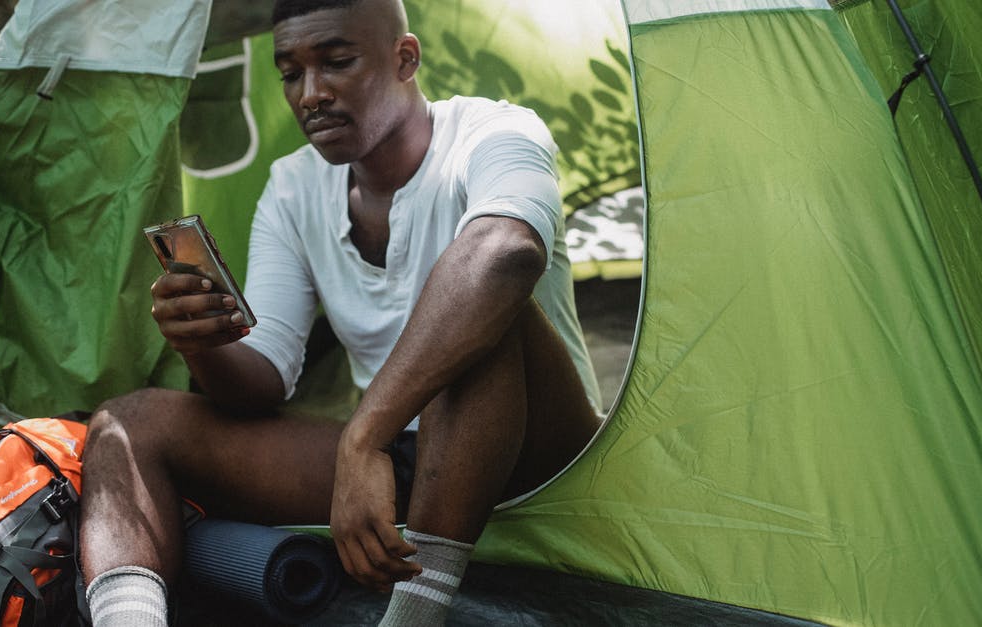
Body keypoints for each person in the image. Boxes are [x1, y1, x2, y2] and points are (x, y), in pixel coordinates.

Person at [78, 0, 603, 625]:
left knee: (487, 308)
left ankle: (412, 615)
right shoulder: (294, 185)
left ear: (404, 58)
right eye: (291, 73)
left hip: (540, 454)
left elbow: (508, 252)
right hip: (402, 459)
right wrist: (204, 345)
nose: (310, 94)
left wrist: (364, 437)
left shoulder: (497, 133)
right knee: (125, 425)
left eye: (336, 62)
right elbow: (267, 376)